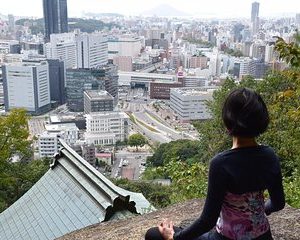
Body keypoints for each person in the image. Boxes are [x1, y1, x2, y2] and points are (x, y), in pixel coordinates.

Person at [145, 88, 285, 240]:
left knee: (154, 234)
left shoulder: (221, 163)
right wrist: (261, 209)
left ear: (227, 123)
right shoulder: (269, 155)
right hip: (263, 236)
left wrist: (174, 237)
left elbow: (207, 221)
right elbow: (278, 203)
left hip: (225, 237)